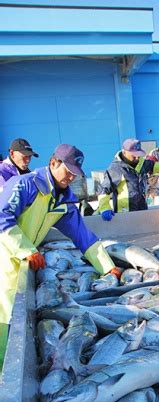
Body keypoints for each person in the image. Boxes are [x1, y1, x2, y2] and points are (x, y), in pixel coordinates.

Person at [0, 143, 120, 368]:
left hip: (27, 261)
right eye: (68, 171)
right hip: (5, 259)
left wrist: (107, 267)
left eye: (75, 174)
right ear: (53, 162)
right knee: (5, 322)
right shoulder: (24, 185)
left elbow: (82, 234)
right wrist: (27, 250)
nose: (70, 177)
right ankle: (5, 377)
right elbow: (2, 217)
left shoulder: (63, 199)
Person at [97, 138, 159, 220]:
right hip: (125, 213)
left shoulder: (141, 163)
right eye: (134, 156)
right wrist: (104, 208)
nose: (137, 158)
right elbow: (104, 189)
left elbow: (154, 166)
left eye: (138, 155)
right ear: (124, 152)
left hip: (141, 207)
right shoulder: (116, 168)